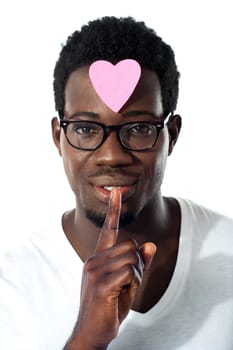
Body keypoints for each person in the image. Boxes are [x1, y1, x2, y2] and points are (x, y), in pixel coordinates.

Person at [1, 16, 233, 350]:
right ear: (57, 137)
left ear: (172, 135)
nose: (112, 156)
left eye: (139, 128)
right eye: (85, 129)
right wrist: (85, 340)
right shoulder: (9, 288)